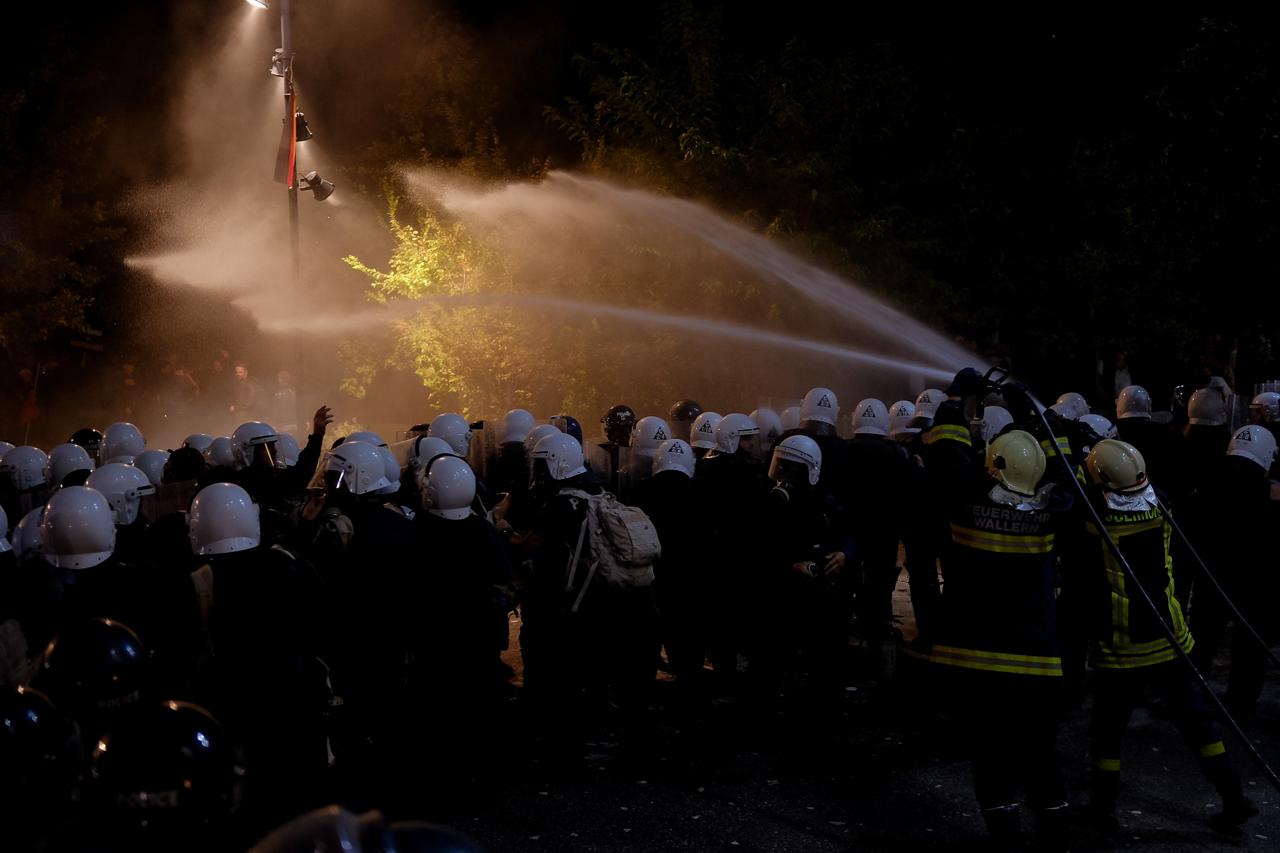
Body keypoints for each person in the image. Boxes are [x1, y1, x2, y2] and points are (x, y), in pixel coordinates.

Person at [1080, 439, 1255, 836]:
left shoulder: (1094, 517)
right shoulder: (1161, 503)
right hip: (1168, 633)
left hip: (1123, 644)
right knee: (1197, 722)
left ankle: (1102, 809)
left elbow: (1079, 495)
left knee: (1107, 730)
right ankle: (1233, 796)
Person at [929, 429, 1072, 850]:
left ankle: (1005, 836)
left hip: (978, 660)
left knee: (991, 754)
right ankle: (1054, 836)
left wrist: (957, 410)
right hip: (1038, 662)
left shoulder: (965, 504)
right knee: (1041, 753)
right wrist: (1046, 427)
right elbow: (1066, 478)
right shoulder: (1052, 511)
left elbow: (951, 468)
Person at [1186, 425, 1279, 718]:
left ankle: (1187, 697)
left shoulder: (1207, 482)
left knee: (1201, 640)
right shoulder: (1270, 493)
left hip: (1210, 577)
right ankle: (1240, 704)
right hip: (1256, 584)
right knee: (1250, 648)